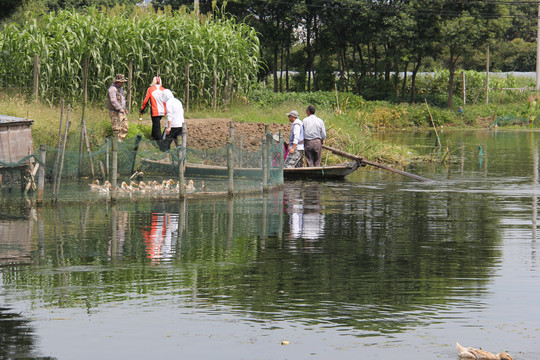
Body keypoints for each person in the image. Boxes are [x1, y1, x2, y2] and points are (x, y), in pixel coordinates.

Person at [139, 76, 167, 141]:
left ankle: (160, 141)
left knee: (157, 126)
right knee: (155, 123)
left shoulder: (150, 89)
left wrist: (142, 110)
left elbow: (145, 101)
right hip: (163, 111)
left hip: (155, 110)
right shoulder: (164, 89)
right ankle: (153, 137)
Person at [106, 73, 129, 141]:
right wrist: (120, 108)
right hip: (114, 112)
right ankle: (115, 146)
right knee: (116, 129)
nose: (122, 83)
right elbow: (113, 101)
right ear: (117, 81)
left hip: (121, 111)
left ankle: (120, 142)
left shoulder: (120, 89)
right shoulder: (112, 89)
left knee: (125, 127)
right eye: (121, 82)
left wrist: (124, 109)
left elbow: (122, 100)